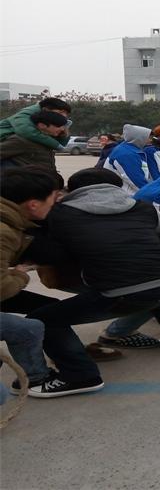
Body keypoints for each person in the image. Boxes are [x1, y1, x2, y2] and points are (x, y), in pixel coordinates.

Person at [26, 168, 160, 397]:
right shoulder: (143, 207)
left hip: (125, 289)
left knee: (44, 320)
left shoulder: (58, 214)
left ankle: (80, 376)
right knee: (157, 290)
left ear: (71, 190)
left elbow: (48, 252)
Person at [0, 168, 62, 398]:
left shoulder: (9, 220)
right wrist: (20, 275)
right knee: (28, 329)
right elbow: (2, 288)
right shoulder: (4, 231)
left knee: (45, 306)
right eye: (53, 200)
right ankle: (36, 379)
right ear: (33, 204)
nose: (55, 205)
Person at [0, 110, 69, 170]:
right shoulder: (21, 140)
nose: (62, 129)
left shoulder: (48, 141)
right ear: (42, 125)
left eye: (63, 126)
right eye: (58, 126)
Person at [0, 98, 71, 151]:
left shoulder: (43, 122)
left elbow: (62, 143)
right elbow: (25, 130)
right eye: (61, 112)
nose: (64, 116)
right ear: (46, 109)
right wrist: (56, 145)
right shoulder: (25, 114)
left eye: (66, 113)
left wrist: (64, 131)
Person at [104, 124, 152, 194]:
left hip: (126, 194)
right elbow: (136, 180)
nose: (150, 140)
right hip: (126, 195)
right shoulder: (127, 154)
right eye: (148, 137)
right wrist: (152, 193)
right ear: (139, 138)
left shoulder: (129, 149)